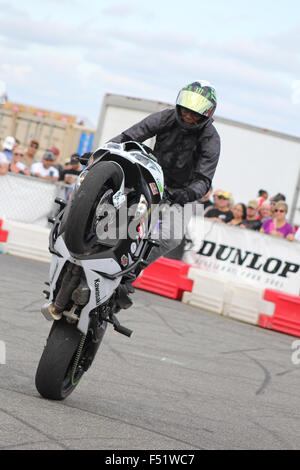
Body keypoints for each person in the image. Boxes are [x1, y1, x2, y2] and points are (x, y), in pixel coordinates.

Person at [108, 80, 221, 267]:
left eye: (193, 113)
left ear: (206, 114)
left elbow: (204, 179)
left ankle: (132, 272)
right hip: (152, 178)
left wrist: (184, 195)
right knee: (127, 225)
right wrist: (106, 150)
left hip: (182, 192)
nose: (187, 115)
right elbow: (131, 135)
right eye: (185, 109)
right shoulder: (166, 117)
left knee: (171, 238)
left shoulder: (211, 139)